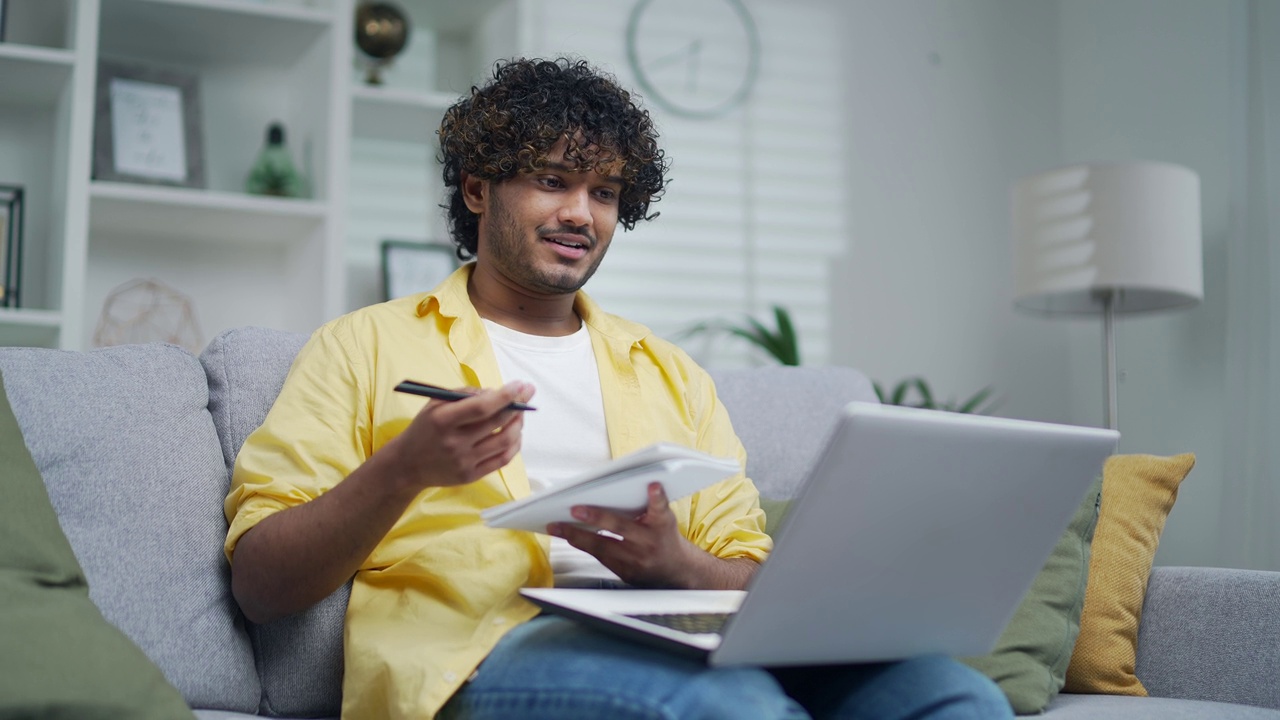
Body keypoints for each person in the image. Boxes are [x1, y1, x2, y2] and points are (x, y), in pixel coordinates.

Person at [224, 57, 1013, 720]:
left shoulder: (671, 375)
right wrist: (404, 470)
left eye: (604, 193)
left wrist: (676, 565)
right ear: (476, 191)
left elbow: (749, 571)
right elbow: (262, 585)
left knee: (951, 696)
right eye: (552, 180)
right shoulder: (365, 345)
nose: (581, 214)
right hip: (481, 654)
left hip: (673, 628)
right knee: (734, 708)